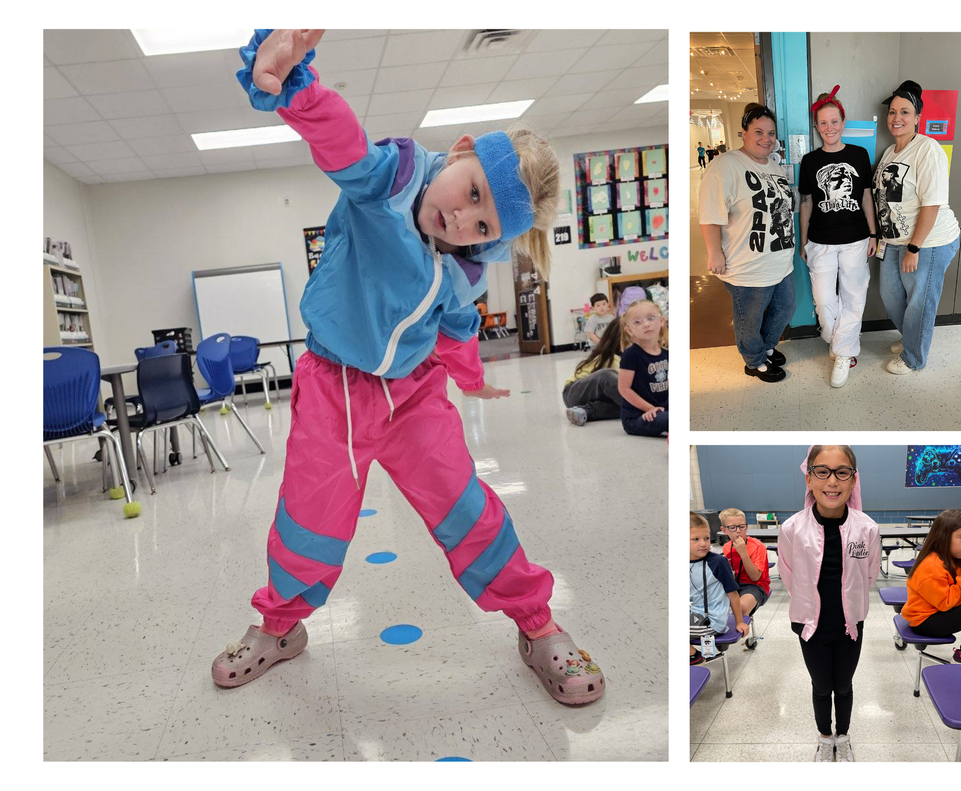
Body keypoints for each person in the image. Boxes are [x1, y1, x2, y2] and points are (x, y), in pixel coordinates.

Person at [211, 29, 605, 706]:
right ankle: (280, 626)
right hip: (335, 387)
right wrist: (299, 87)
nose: (462, 218)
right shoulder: (387, 183)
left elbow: (454, 326)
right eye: (472, 191)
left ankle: (536, 623)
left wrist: (469, 375)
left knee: (468, 509)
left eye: (484, 224)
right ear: (460, 151)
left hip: (415, 398)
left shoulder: (466, 267)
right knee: (311, 514)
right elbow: (343, 143)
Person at [778, 445, 880, 762]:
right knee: (822, 686)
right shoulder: (792, 529)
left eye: (842, 472)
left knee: (844, 685)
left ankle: (843, 737)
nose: (832, 481)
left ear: (853, 480)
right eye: (822, 471)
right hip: (811, 626)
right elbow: (789, 575)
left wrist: (852, 606)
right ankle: (825, 739)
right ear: (808, 479)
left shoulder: (867, 528)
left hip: (850, 625)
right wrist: (809, 606)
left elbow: (869, 575)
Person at [698, 103, 795, 383]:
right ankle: (754, 361)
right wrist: (714, 252)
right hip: (747, 264)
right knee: (749, 319)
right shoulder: (725, 165)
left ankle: (766, 348)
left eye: (771, 133)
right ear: (744, 132)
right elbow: (710, 213)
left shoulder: (774, 166)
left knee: (785, 308)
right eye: (759, 132)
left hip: (780, 259)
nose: (766, 138)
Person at [873, 80, 961, 375]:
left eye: (905, 112)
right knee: (891, 295)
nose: (896, 118)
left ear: (917, 118)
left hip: (928, 241)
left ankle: (914, 357)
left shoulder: (928, 149)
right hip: (894, 240)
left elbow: (931, 204)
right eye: (892, 112)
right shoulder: (890, 152)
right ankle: (910, 336)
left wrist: (914, 247)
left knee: (920, 301)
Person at [798, 85, 877, 388]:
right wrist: (804, 240)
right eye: (823, 123)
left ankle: (843, 353)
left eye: (834, 121)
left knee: (854, 296)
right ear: (817, 126)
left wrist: (873, 234)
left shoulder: (859, 155)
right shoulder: (809, 161)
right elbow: (806, 203)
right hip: (820, 241)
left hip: (856, 239)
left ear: (843, 123)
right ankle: (840, 341)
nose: (829, 128)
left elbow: (867, 197)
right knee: (823, 301)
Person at [902, 509, 961, 666]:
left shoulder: (951, 558)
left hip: (938, 611)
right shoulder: (932, 567)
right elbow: (946, 603)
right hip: (925, 621)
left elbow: (953, 584)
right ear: (944, 537)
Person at [690, 512, 749, 666]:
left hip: (711, 621)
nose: (703, 543)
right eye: (695, 539)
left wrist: (739, 622)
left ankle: (693, 656)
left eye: (706, 538)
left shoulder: (717, 562)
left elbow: (733, 594)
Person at [617, 299, 668, 437]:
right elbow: (624, 389)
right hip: (638, 417)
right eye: (637, 322)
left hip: (662, 410)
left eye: (650, 318)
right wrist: (650, 408)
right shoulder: (631, 355)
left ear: (661, 321)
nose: (646, 324)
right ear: (629, 330)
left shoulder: (666, 353)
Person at [563, 317, 623, 426]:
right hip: (572, 392)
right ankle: (638, 409)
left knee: (622, 405)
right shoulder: (612, 357)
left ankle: (585, 411)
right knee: (606, 375)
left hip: (593, 398)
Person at [719, 508, 770, 617]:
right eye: (732, 527)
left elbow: (755, 577)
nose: (738, 530)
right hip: (734, 584)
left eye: (742, 526)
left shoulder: (758, 546)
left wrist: (743, 553)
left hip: (755, 586)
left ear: (746, 528)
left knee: (741, 608)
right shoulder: (727, 547)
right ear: (724, 530)